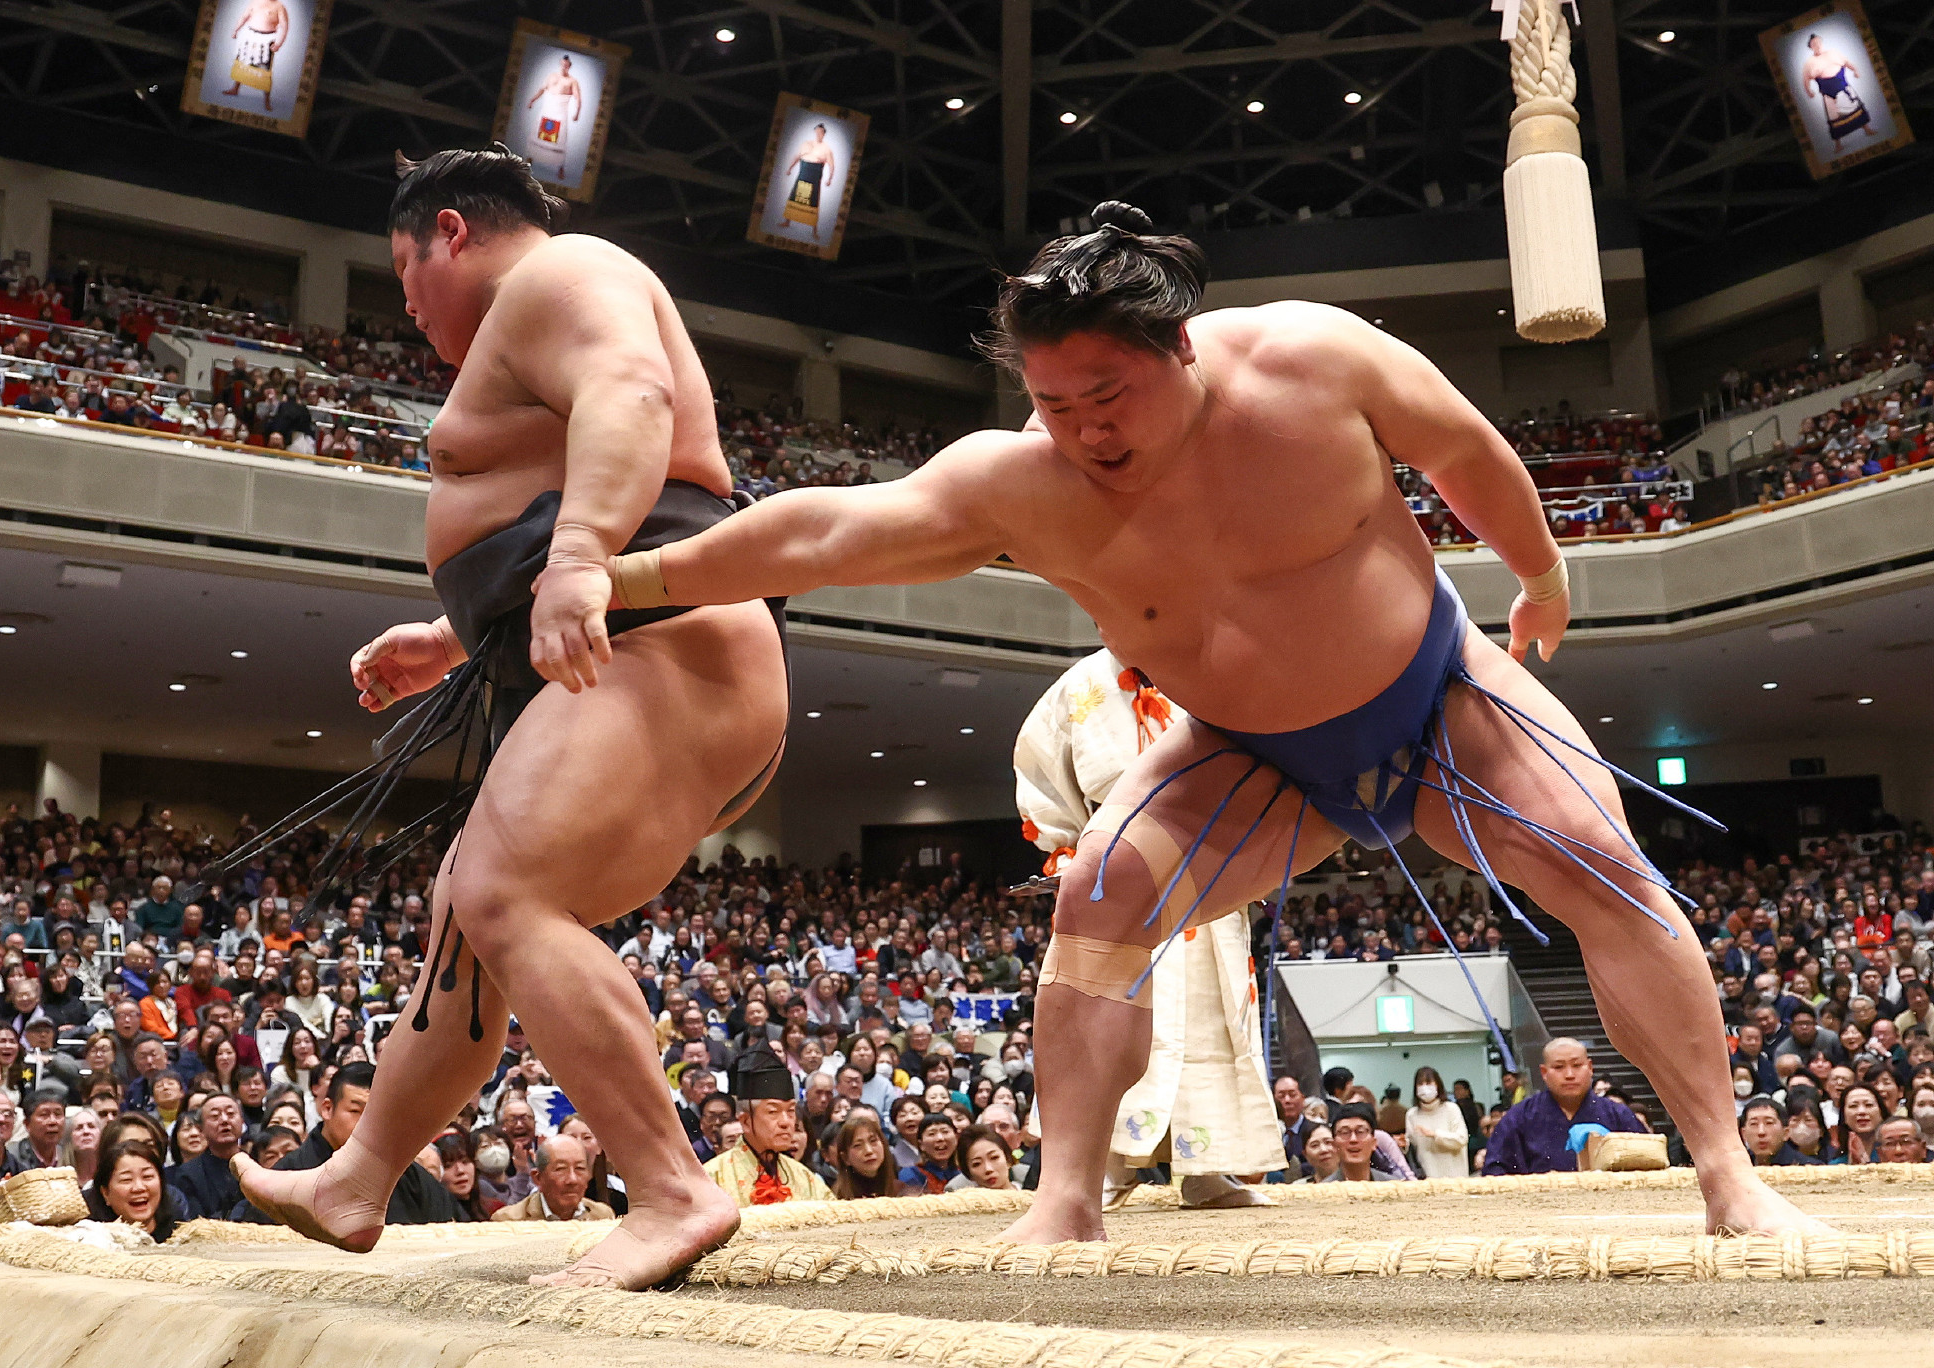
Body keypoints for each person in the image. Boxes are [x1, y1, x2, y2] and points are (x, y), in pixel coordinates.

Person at [610, 202, 1818, 1239]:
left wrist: (1540, 573)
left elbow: (1462, 447)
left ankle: (1725, 1172)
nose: (1084, 429)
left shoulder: (1312, 361)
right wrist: (625, 581)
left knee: (1601, 864)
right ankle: (1067, 1198)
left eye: (1107, 393)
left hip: (1435, 695)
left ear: (1179, 346)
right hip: (1249, 754)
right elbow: (821, 533)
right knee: (1094, 901)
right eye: (1052, 402)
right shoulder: (1019, 483)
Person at [228, 146, 787, 1293]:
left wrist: (578, 558)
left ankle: (671, 1191)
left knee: (502, 892)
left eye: (401, 271)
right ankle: (356, 1180)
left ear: (449, 231)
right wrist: (453, 635)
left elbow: (631, 396)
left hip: (664, 643)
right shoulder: (529, 319)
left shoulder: (561, 272)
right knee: (466, 916)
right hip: (633, 651)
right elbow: (550, 492)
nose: (404, 302)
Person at [1014, 647, 1284, 1210]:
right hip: (1112, 867)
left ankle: (1206, 1166)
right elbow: (1043, 772)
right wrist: (1069, 848)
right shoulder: (1082, 683)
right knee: (1106, 1016)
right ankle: (1102, 1165)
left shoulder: (1213, 665)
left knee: (1210, 1019)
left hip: (1209, 866)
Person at [228, 1062, 455, 1226]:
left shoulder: (411, 1178)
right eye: (356, 1111)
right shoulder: (286, 1175)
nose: (369, 1123)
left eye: (379, 1113)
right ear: (327, 1109)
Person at [1483, 1038, 1648, 1175]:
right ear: (1544, 1072)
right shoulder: (1519, 1117)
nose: (1569, 1075)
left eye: (1577, 1065)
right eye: (1559, 1067)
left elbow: (1648, 1162)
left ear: (1590, 1068)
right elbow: (1495, 1169)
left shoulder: (1618, 1114)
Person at [703, 1043, 831, 1207]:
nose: (786, 1122)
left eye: (790, 1111)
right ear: (745, 1121)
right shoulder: (711, 1177)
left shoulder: (804, 1177)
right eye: (773, 1112)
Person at [492, 1134, 611, 1221]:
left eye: (579, 1168)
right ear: (538, 1178)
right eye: (561, 1169)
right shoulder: (509, 1220)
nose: (572, 1180)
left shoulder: (602, 1216)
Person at [171, 1093, 248, 1220]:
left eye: (230, 1114)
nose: (224, 1120)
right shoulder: (189, 1174)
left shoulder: (258, 1164)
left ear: (242, 1121)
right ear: (200, 1128)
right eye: (215, 1116)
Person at [87, 1140, 179, 1242]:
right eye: (126, 1179)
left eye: (147, 1176)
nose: (139, 1187)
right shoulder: (91, 1240)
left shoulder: (180, 1234)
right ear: (105, 1193)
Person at [1801, 31, 1877, 153]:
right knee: (1834, 117)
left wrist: (1855, 70)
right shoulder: (1809, 63)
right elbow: (1805, 79)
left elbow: (1846, 62)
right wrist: (1808, 91)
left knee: (1855, 108)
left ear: (1822, 42)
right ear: (1810, 47)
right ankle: (1838, 144)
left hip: (1843, 86)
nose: (1817, 45)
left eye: (1818, 42)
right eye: (1814, 44)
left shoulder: (1833, 53)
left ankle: (1867, 129)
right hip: (1828, 92)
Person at [220, 0, 289, 112]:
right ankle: (235, 88)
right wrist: (236, 30)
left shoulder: (280, 7)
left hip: (266, 41)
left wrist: (278, 43)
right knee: (242, 64)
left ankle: (267, 100)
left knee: (264, 71)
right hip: (249, 37)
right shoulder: (255, 1)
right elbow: (244, 17)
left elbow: (284, 26)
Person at [1404, 1066, 1469, 1179]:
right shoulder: (1412, 1114)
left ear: (1438, 1085)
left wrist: (1435, 1134)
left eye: (1429, 1083)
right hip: (1427, 1178)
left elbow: (1462, 1139)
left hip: (1455, 1178)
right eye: (1420, 1084)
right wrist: (1402, 1144)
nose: (1425, 1088)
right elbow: (1412, 1146)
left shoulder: (1451, 1109)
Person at [777, 123, 836, 238]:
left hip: (814, 176)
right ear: (815, 132)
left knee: (813, 200)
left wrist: (830, 179)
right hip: (803, 173)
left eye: (821, 132)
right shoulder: (806, 144)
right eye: (817, 131)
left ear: (824, 134)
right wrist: (790, 168)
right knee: (795, 196)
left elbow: (831, 165)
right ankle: (787, 221)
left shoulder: (827, 149)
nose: (818, 134)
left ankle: (814, 230)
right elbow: (797, 156)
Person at [829, 1110, 903, 1200]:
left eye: (873, 1141)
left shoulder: (901, 1191)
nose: (869, 1151)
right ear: (845, 1158)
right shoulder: (838, 1199)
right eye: (857, 1145)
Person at [1324, 1103, 1403, 1182]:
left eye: (1360, 1132)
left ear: (1374, 1143)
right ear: (1334, 1145)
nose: (1353, 1139)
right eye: (1345, 1132)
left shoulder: (1392, 1185)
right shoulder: (1324, 1188)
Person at [1741, 1097, 1821, 1166]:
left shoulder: (1809, 1167)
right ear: (1744, 1134)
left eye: (1769, 1123)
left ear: (1786, 1133)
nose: (1761, 1132)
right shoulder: (1738, 1165)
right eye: (1754, 1124)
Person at [952, 1124, 1016, 1192]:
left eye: (994, 1157)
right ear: (968, 1173)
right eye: (977, 1164)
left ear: (1008, 1159)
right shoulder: (962, 1198)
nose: (988, 1169)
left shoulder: (1024, 1189)